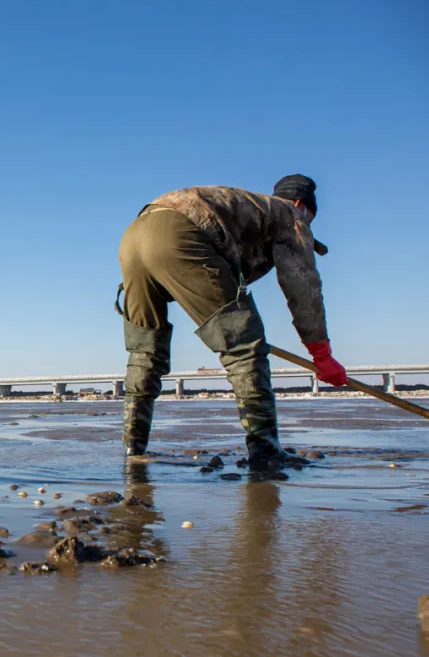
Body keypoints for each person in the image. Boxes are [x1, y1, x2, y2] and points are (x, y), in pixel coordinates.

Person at [116, 175, 347, 471]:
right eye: (310, 219)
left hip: (134, 237)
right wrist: (321, 353)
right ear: (301, 204)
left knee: (145, 352)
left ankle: (133, 450)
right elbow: (303, 287)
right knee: (245, 349)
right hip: (181, 233)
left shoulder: (249, 205)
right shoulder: (290, 214)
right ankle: (266, 452)